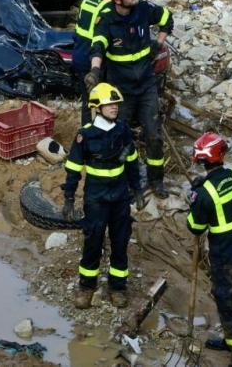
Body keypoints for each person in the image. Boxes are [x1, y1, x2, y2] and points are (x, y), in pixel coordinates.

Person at [87, 0, 174, 198]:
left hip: (146, 85)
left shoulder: (144, 9)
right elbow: (98, 46)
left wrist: (158, 43)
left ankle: (157, 180)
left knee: (153, 135)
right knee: (121, 138)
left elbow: (167, 19)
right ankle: (127, 183)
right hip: (122, 90)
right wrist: (95, 71)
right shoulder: (106, 19)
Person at [61, 83, 145, 309]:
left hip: (119, 196)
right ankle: (87, 286)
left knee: (120, 241)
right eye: (109, 104)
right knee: (93, 240)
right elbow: (73, 168)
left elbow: (131, 162)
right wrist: (69, 198)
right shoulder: (85, 135)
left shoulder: (123, 130)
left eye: (116, 104)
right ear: (97, 107)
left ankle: (118, 287)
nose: (114, 108)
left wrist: (137, 190)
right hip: (96, 197)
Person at [187, 132, 232, 367]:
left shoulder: (204, 194)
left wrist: (194, 198)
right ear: (222, 155)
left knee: (227, 304)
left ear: (202, 161)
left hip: (225, 255)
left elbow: (195, 227)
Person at [72, 0, 137, 126]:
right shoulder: (109, 8)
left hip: (80, 56)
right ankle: (106, 139)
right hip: (97, 62)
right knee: (107, 102)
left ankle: (88, 137)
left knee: (89, 104)